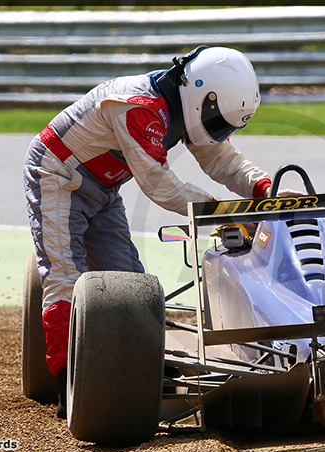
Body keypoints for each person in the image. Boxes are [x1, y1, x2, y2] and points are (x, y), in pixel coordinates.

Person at [24, 45, 296, 419]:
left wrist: (265, 191)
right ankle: (69, 382)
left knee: (129, 284)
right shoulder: (139, 106)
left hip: (102, 188)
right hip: (57, 176)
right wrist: (227, 216)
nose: (220, 132)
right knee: (64, 275)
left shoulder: (184, 105)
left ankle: (138, 364)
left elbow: (222, 160)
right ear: (204, 96)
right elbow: (161, 186)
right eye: (219, 121)